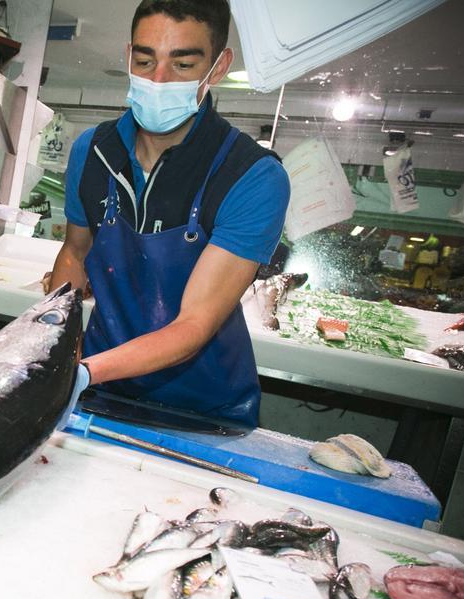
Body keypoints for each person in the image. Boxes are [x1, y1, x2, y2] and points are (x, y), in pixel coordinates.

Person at [47, 0, 290, 427]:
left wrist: (80, 372)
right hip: (96, 391)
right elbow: (75, 252)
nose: (157, 80)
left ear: (217, 67)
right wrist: (50, 338)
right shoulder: (92, 151)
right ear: (128, 57)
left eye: (182, 65)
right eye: (144, 60)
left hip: (204, 410)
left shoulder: (250, 175)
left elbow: (195, 324)